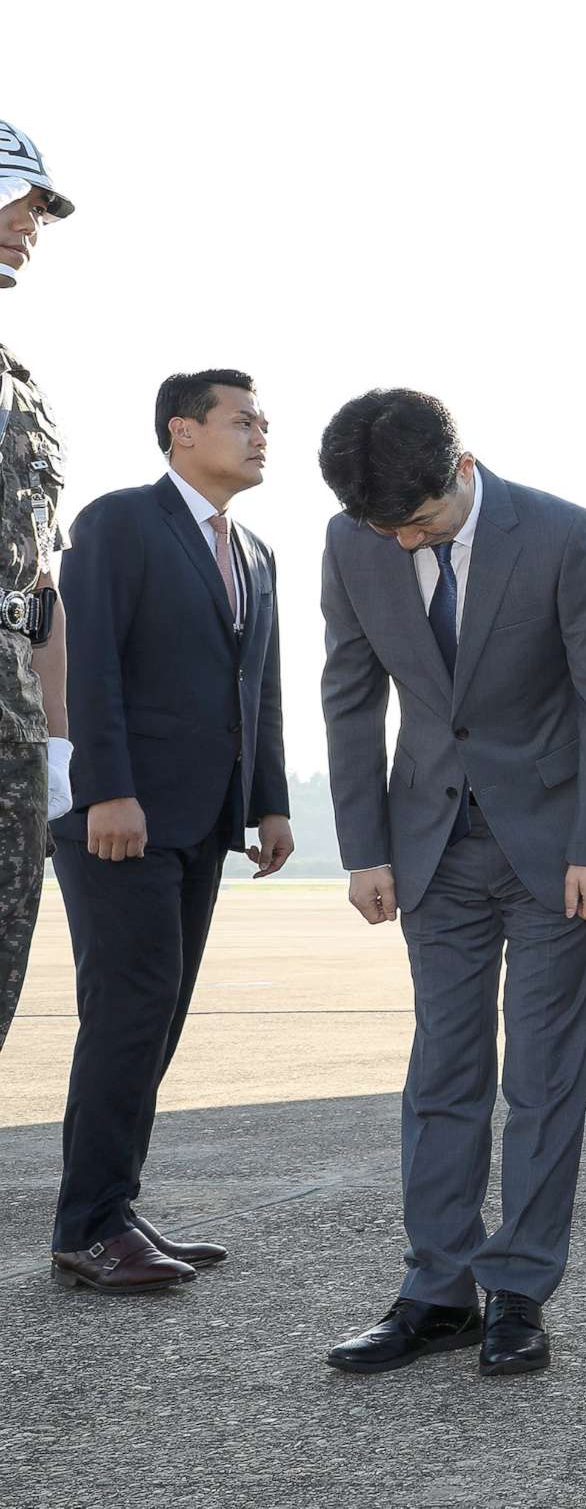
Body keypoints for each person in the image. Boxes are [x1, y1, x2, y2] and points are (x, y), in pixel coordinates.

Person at [315, 389, 586, 1377]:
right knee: (443, 1073)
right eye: (386, 528)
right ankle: (437, 1288)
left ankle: (519, 1290)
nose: (405, 541)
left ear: (463, 467)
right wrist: (365, 847)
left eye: (420, 523)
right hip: (429, 846)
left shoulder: (562, 535)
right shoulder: (352, 540)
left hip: (553, 852)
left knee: (544, 1079)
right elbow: (349, 690)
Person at [47, 370, 293, 1292]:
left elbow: (256, 690)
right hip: (121, 818)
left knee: (160, 1013)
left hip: (200, 820)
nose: (261, 433)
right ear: (182, 431)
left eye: (265, 421)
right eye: (243, 420)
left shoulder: (256, 552)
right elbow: (89, 659)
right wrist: (106, 789)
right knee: (129, 1012)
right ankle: (89, 1226)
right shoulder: (120, 522)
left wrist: (266, 802)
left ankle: (112, 1209)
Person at [0, 119, 74, 1058]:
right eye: (21, 197)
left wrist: (56, 734)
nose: (33, 223)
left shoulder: (22, 386)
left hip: (13, 721)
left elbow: (40, 576)